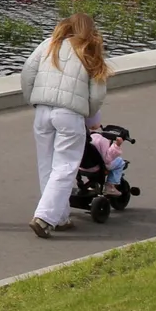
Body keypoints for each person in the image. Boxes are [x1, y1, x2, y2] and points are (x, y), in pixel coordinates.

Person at [19, 12, 111, 238]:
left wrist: (33, 99)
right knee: (65, 166)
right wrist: (87, 114)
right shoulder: (89, 50)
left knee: (46, 165)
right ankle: (45, 217)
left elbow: (27, 72)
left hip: (42, 111)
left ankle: (59, 217)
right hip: (70, 115)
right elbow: (98, 93)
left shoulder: (49, 44)